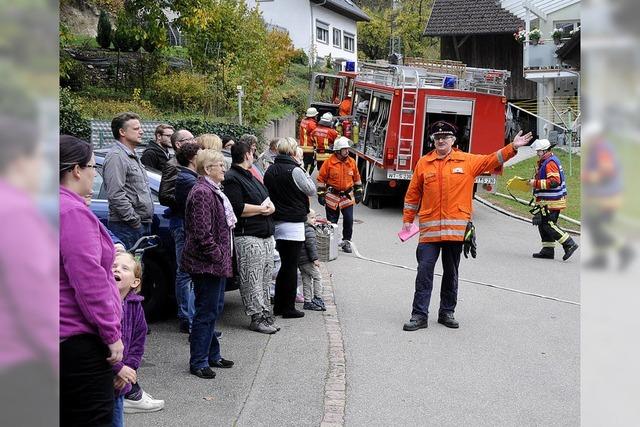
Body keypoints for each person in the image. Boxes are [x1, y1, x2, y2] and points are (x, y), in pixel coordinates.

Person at [401, 121, 532, 332]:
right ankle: (419, 315)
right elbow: (413, 194)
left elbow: (492, 159)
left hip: (455, 232)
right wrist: (408, 219)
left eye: (445, 137)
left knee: (451, 273)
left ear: (453, 140)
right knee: (424, 272)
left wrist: (513, 147)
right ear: (433, 141)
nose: (441, 140)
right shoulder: (423, 163)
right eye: (437, 137)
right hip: (429, 233)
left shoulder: (467, 161)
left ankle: (446, 312)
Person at [60, 135, 124, 425]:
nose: (94, 173)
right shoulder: (71, 212)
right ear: (75, 170)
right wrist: (111, 334)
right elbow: (89, 282)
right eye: (90, 166)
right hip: (77, 340)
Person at [181, 149, 236, 379]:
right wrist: (218, 256)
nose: (224, 168)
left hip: (215, 262)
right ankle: (199, 361)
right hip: (206, 264)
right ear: (207, 169)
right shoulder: (203, 192)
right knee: (205, 311)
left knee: (213, 310)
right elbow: (202, 233)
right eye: (220, 165)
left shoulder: (212, 190)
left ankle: (212, 355)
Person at [223, 139, 279, 334]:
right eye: (252, 151)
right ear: (247, 154)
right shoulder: (232, 177)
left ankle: (265, 312)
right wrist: (262, 209)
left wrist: (269, 207)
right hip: (248, 235)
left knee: (264, 277)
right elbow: (236, 207)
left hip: (264, 233)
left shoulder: (251, 176)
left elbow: (266, 196)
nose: (254, 154)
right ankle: (256, 316)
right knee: (251, 278)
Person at [264, 137, 316, 319]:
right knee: (290, 266)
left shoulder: (270, 169)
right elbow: (311, 189)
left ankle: (279, 304)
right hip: (293, 222)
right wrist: (302, 167)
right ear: (293, 152)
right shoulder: (295, 170)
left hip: (276, 219)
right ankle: (288, 307)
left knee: (284, 265)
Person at [111, 252, 164, 425]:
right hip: (102, 375)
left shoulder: (135, 307)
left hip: (121, 380)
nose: (117, 269)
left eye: (124, 268)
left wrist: (128, 369)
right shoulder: (103, 303)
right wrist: (118, 368)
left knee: (117, 420)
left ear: (135, 282)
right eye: (114, 266)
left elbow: (138, 342)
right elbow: (100, 340)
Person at [581, 123, 633, 269]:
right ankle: (601, 258)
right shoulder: (598, 148)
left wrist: (588, 176)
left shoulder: (602, 149)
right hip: (601, 197)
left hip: (607, 197)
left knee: (600, 228)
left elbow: (607, 171)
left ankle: (624, 251)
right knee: (595, 227)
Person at [103, 112, 153, 249]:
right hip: (126, 226)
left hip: (138, 225)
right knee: (126, 267)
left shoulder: (132, 155)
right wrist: (134, 221)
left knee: (137, 267)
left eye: (140, 128)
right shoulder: (116, 156)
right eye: (136, 129)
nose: (141, 132)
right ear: (122, 132)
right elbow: (115, 193)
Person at [527, 138, 579, 261]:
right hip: (548, 201)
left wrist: (535, 183)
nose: (537, 153)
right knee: (543, 225)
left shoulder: (550, 162)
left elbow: (554, 182)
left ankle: (569, 244)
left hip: (551, 201)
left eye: (539, 151)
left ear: (545, 151)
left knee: (548, 225)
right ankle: (547, 250)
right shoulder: (548, 161)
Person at [171, 142, 201, 334]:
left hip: (182, 226)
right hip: (183, 227)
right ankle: (186, 317)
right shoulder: (187, 179)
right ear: (191, 158)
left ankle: (188, 316)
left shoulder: (189, 177)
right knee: (185, 272)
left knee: (186, 273)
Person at [316, 136, 362, 254]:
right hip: (332, 195)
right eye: (344, 149)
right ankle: (331, 244)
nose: (347, 151)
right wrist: (321, 194)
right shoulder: (329, 163)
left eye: (347, 149)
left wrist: (358, 191)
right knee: (332, 222)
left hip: (346, 196)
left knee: (348, 219)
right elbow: (321, 179)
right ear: (338, 151)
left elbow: (357, 178)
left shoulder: (351, 162)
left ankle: (346, 242)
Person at [298, 209, 325, 311]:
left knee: (306, 280)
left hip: (300, 261)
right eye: (312, 218)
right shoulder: (309, 229)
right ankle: (317, 298)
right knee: (317, 277)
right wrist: (315, 259)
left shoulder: (301, 227)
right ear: (306, 218)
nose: (315, 220)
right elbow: (311, 245)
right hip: (308, 260)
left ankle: (307, 301)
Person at [299, 107, 318, 173]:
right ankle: (306, 176)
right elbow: (315, 136)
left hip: (302, 146)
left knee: (304, 163)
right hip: (309, 148)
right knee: (310, 164)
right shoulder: (312, 124)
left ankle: (302, 174)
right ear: (314, 116)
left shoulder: (303, 121)